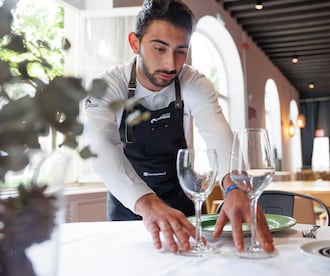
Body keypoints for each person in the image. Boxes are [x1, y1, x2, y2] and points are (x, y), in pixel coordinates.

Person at [84, 0, 274, 254]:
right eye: (159, 48)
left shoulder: (194, 83)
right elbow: (99, 145)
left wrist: (233, 187)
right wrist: (147, 203)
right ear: (134, 43)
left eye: (181, 51)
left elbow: (220, 136)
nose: (171, 64)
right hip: (129, 205)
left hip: (181, 203)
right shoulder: (107, 85)